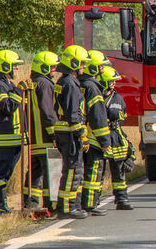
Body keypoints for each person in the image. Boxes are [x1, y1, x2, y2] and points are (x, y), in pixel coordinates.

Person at [0, 50, 27, 214]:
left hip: (14, 138)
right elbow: (8, 107)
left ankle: (1, 205)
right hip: (3, 139)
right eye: (14, 65)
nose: (16, 69)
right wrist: (19, 92)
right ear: (5, 66)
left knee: (6, 172)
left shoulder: (8, 85)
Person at [54, 45, 90, 219]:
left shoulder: (65, 81)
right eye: (82, 63)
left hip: (65, 131)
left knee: (72, 169)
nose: (84, 66)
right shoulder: (70, 83)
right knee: (72, 170)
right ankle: (68, 208)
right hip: (69, 132)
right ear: (74, 63)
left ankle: (71, 205)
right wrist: (81, 134)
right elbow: (73, 113)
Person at [22, 51, 60, 211]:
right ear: (43, 67)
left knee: (34, 173)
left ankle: (30, 202)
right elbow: (48, 111)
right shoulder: (45, 84)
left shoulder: (33, 83)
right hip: (46, 138)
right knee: (51, 171)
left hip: (34, 138)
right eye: (51, 67)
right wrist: (54, 134)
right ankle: (51, 204)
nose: (54, 70)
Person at [78, 50, 112, 216]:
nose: (103, 70)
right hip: (93, 139)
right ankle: (90, 204)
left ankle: (81, 203)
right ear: (93, 69)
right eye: (100, 67)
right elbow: (98, 118)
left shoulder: (79, 84)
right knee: (93, 171)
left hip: (81, 136)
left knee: (82, 171)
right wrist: (105, 142)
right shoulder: (93, 88)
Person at [98, 66, 134, 210]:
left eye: (114, 81)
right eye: (111, 81)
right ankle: (93, 201)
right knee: (98, 171)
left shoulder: (117, 97)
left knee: (119, 170)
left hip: (116, 137)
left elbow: (123, 115)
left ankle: (122, 199)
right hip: (100, 136)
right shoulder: (96, 95)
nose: (114, 83)